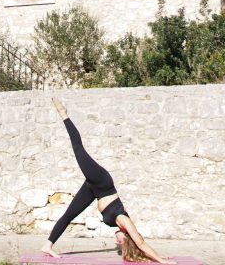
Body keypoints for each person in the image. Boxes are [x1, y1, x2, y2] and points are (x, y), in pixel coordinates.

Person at [41, 98, 176, 264]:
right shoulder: (125, 222)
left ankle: (47, 245)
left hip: (94, 190)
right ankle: (64, 114)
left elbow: (138, 245)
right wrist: (161, 261)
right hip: (101, 181)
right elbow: (140, 242)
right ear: (127, 237)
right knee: (78, 148)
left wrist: (154, 256)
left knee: (69, 214)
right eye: (120, 243)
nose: (117, 243)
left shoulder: (119, 225)